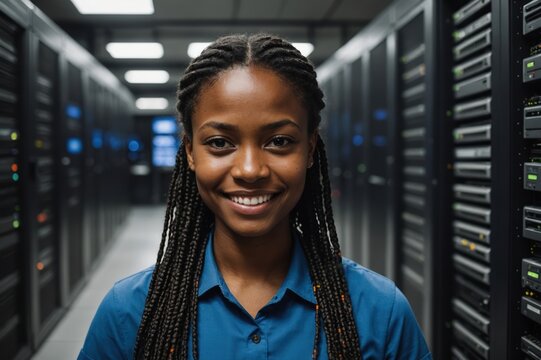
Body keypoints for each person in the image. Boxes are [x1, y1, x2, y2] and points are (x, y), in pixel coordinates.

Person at [78, 33, 431, 360]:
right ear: (190, 153)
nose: (250, 170)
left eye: (279, 141)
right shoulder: (129, 312)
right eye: (220, 143)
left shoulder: (380, 313)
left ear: (309, 150)